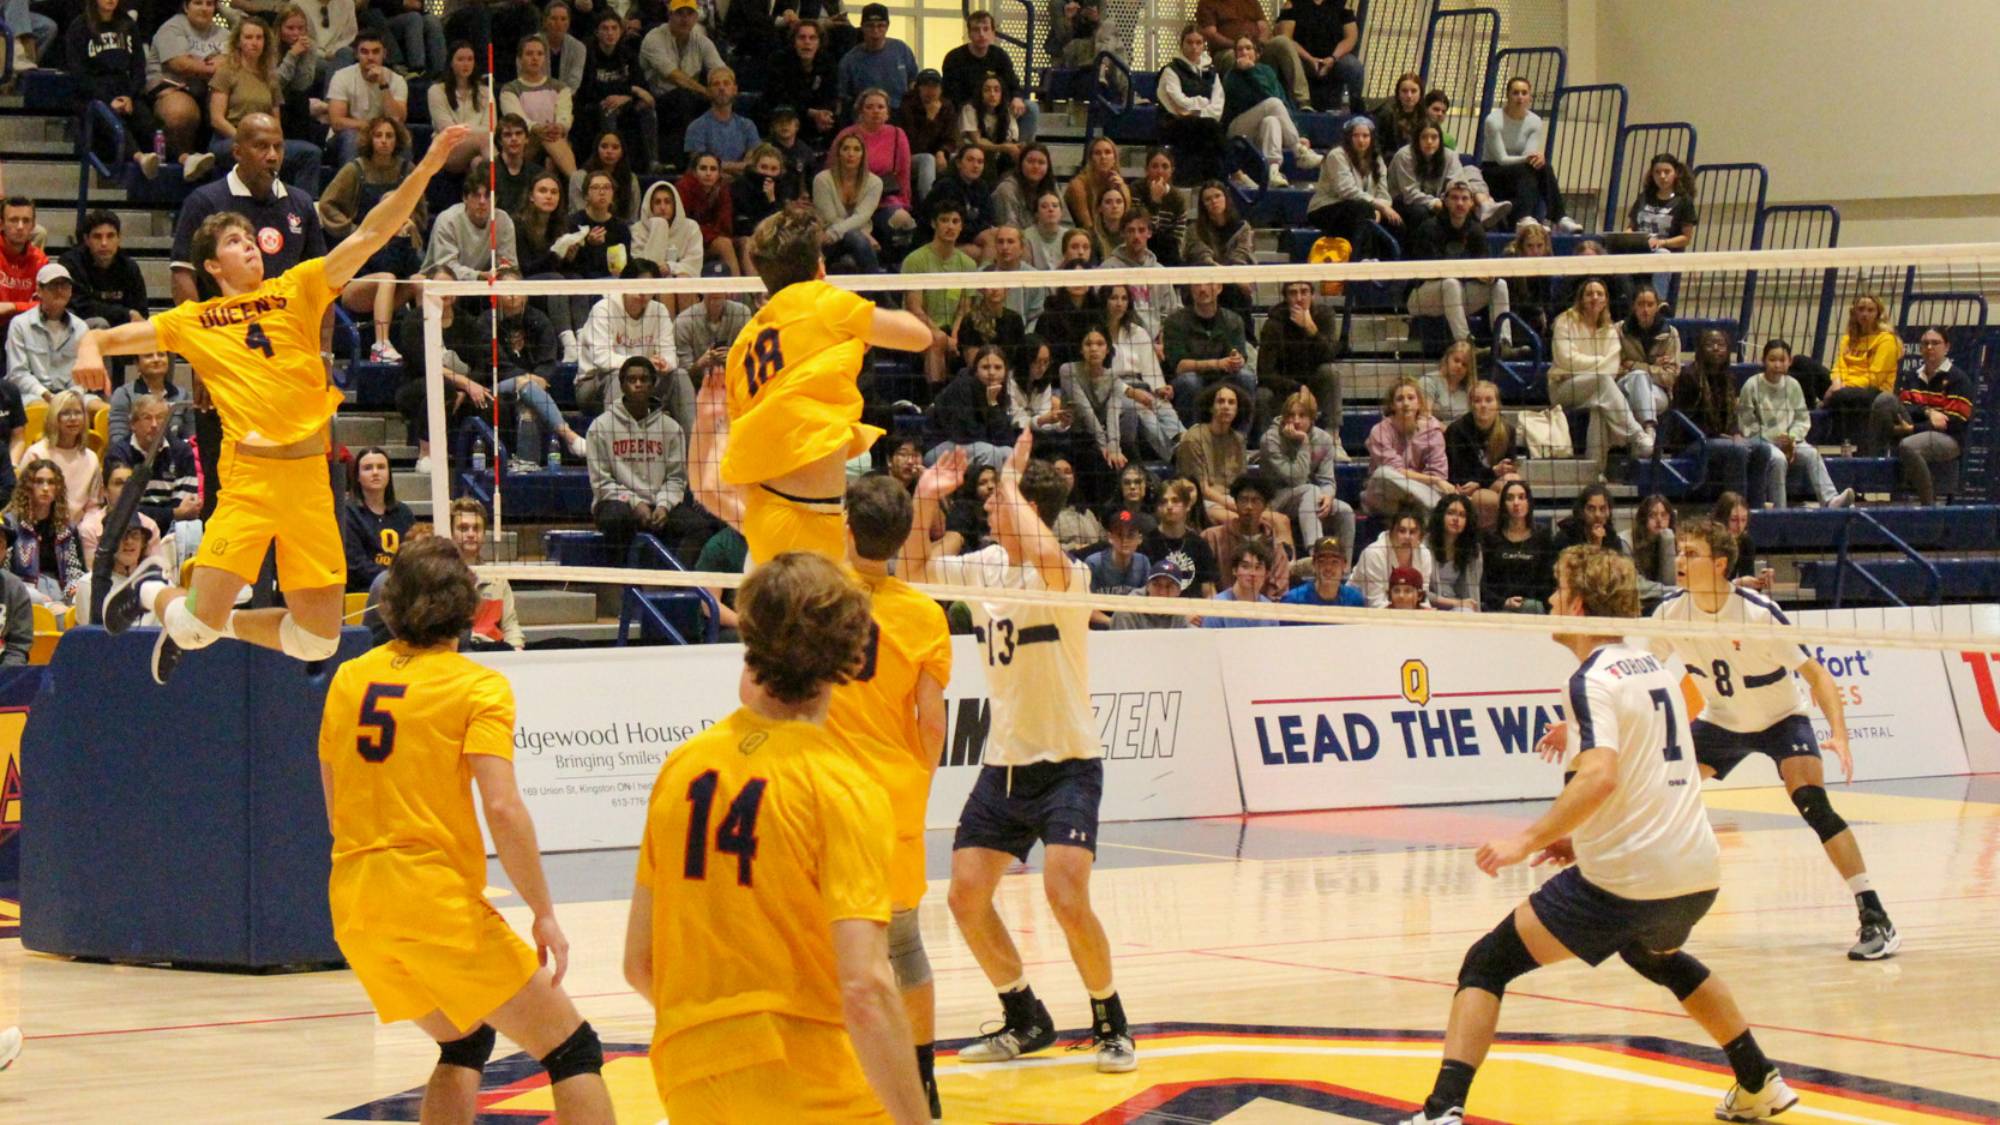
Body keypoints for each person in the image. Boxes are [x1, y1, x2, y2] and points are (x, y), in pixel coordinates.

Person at [1403, 544, 1795, 1125]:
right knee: (1654, 953)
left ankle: (1441, 1112)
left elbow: (1601, 776)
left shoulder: (1590, 679)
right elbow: (1647, 774)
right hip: (1695, 875)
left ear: (1580, 604)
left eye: (1558, 591)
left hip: (1627, 883)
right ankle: (1759, 1079)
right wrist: (1578, 838)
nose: (1551, 601)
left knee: (1485, 963)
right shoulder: (1653, 669)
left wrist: (1526, 840)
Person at [85, 124, 474, 685]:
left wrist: (430, 165)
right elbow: (106, 339)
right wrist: (85, 344)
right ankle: (150, 587)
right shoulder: (191, 321)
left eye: (252, 240)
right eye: (236, 243)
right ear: (212, 267)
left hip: (312, 481)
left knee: (317, 638)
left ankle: (210, 622)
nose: (251, 246)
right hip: (251, 479)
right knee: (195, 627)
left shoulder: (297, 286)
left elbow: (371, 232)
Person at [622, 550, 927, 1123]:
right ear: (854, 657)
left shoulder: (682, 768)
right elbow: (865, 988)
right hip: (809, 1083)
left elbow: (639, 963)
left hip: (687, 1075)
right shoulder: (842, 785)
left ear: (751, 640)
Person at [319, 538, 614, 1125]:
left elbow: (334, 804)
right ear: (470, 608)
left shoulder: (349, 679)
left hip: (354, 905)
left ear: (391, 603)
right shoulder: (477, 687)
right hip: (433, 904)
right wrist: (543, 911)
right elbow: (502, 808)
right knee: (572, 1049)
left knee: (464, 1041)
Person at [901, 434, 1138, 1073]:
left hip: (1068, 763)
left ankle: (1110, 1018)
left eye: (999, 502)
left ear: (1025, 510)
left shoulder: (1069, 573)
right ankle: (1024, 1015)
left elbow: (1041, 546)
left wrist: (1012, 478)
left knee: (1065, 891)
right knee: (965, 897)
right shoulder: (983, 569)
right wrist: (925, 501)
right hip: (1006, 765)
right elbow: (912, 571)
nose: (988, 509)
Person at [1654, 518, 1897, 961]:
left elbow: (1817, 676)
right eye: (1679, 553)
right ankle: (1656, 910)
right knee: (1662, 796)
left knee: (1812, 803)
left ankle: (1874, 913)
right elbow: (1642, 674)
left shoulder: (1757, 614)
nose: (1680, 561)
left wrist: (1839, 734)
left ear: (1721, 564)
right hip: (1721, 721)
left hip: (1782, 719)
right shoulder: (1670, 612)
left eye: (1691, 554)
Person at [720, 209, 932, 566]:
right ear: (820, 267)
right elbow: (920, 336)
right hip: (805, 518)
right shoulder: (825, 301)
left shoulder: (744, 343)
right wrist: (857, 333)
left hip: (765, 512)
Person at [318, 115, 425, 362]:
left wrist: (410, 225)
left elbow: (420, 213)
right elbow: (327, 205)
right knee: (386, 278)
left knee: (422, 281)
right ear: (369, 139)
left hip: (397, 259)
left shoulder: (407, 171)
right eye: (379, 135)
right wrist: (356, 232)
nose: (384, 141)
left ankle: (428, 345)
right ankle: (381, 344)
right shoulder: (354, 169)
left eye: (389, 136)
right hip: (360, 272)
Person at [587, 357, 711, 562]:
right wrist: (635, 504)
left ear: (653, 385)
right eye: (631, 379)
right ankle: (620, 584)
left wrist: (663, 505)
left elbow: (676, 479)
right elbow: (601, 483)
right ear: (622, 385)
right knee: (617, 518)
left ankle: (677, 584)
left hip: (658, 504)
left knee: (700, 528)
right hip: (618, 503)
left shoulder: (671, 428)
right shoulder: (600, 426)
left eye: (644, 379)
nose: (638, 384)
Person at [1550, 278, 1650, 477]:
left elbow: (1612, 367)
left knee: (1600, 407)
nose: (1594, 297)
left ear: (1605, 300)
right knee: (1602, 382)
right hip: (1562, 389)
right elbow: (1565, 359)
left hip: (1595, 389)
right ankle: (1637, 436)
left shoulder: (1610, 329)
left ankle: (1594, 472)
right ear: (1581, 299)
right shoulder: (1565, 321)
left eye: (1599, 294)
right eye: (1589, 294)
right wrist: (1599, 362)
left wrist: (1581, 366)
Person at [1738, 339, 1853, 510]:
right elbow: (1746, 422)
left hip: (1792, 442)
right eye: (1772, 360)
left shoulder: (1793, 385)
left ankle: (1830, 499)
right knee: (1777, 459)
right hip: (1761, 443)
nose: (1777, 364)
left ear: (1790, 362)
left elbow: (1802, 419)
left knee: (1812, 454)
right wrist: (1774, 440)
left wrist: (1791, 438)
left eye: (1782, 360)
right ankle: (1780, 508)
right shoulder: (1751, 385)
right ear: (1763, 361)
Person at [208, 14, 323, 187]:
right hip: (231, 139)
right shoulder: (226, 72)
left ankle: (304, 207)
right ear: (239, 42)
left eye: (259, 38)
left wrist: (276, 144)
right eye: (248, 37)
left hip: (265, 140)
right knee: (254, 152)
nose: (254, 42)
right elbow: (217, 119)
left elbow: (275, 120)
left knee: (310, 153)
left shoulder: (270, 78)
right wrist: (244, 139)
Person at [1868, 327, 1974, 505]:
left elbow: (1953, 422)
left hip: (1949, 438)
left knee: (1909, 446)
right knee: (1884, 399)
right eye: (1925, 344)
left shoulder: (1958, 379)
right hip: (1916, 428)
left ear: (1946, 347)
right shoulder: (1912, 376)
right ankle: (1870, 467)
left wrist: (1914, 427)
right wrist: (1928, 411)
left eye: (1935, 343)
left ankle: (1928, 504)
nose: (1929, 347)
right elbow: (1906, 407)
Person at [1405, 181, 1513, 349]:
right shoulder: (1429, 228)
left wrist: (1489, 277)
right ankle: (1465, 345)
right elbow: (1430, 272)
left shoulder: (1476, 230)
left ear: (1471, 203)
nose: (1460, 203)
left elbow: (1484, 265)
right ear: (1445, 201)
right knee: (1450, 283)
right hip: (1421, 297)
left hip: (1457, 296)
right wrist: (1471, 273)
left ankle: (1504, 343)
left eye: (1464, 198)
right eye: (1455, 198)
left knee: (1499, 285)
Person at [68, 0, 167, 180]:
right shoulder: (79, 27)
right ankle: (140, 157)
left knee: (148, 121)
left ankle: (185, 157)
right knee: (112, 121)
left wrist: (129, 95)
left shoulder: (127, 24)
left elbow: (138, 66)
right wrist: (107, 100)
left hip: (124, 88)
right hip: (93, 93)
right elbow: (79, 74)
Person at [1670, 328, 1769, 502]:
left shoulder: (1728, 377)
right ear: (1700, 349)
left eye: (1721, 344)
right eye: (1710, 344)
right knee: (1736, 449)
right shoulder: (1689, 376)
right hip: (1692, 441)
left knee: (1762, 448)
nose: (1716, 348)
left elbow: (1731, 415)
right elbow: (1683, 421)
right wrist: (1721, 436)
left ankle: (1756, 509)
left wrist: (1735, 432)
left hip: (1720, 439)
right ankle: (1735, 508)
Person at [1478, 76, 1581, 232]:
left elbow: (1529, 156)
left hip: (1520, 170)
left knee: (1544, 167)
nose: (1520, 97)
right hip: (1494, 170)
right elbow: (1502, 159)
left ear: (1530, 97)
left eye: (1524, 93)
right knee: (1526, 169)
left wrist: (1535, 159)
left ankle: (1560, 218)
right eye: (1515, 93)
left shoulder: (1534, 121)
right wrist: (1528, 158)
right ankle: (1523, 217)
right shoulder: (1493, 120)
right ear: (1507, 96)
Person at [575, 259, 677, 411]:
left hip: (643, 381)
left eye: (649, 288)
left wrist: (664, 363)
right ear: (624, 284)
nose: (643, 293)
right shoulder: (603, 309)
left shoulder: (659, 311)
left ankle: (695, 433)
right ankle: (616, 433)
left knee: (679, 376)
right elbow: (603, 360)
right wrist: (644, 364)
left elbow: (671, 357)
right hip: (594, 384)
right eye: (637, 285)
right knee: (618, 376)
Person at [1261, 388, 1352, 556]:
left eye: (1302, 415)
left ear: (1312, 418)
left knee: (1345, 511)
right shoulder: (1271, 439)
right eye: (1291, 415)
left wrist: (1327, 496)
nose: (1296, 420)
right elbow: (1295, 479)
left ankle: (1343, 570)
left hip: (1309, 498)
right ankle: (1316, 553)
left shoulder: (1323, 439)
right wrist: (1304, 442)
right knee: (1310, 490)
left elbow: (1327, 480)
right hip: (1275, 499)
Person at [1221, 36, 1319, 189]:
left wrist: (1302, 132)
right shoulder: (1231, 76)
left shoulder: (1266, 71)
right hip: (1236, 127)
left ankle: (1273, 171)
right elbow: (1248, 99)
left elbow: (1283, 103)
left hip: (1260, 126)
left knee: (1272, 121)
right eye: (1240, 49)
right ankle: (1299, 151)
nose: (1244, 52)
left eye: (1248, 48)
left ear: (1257, 54)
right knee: (1273, 104)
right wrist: (1248, 72)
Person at [149, 0, 230, 182]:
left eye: (209, 4)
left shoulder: (224, 33)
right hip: (170, 89)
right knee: (180, 112)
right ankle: (185, 160)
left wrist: (197, 63)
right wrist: (212, 64)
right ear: (186, 7)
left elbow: (232, 61)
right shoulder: (171, 28)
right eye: (198, 3)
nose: (204, 8)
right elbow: (180, 64)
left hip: (207, 90)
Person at [901, 202, 977, 384]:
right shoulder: (915, 260)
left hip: (954, 328)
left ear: (961, 226)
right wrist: (939, 334)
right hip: (920, 327)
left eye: (955, 221)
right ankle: (936, 402)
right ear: (934, 224)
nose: (950, 226)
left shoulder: (968, 264)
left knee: (976, 343)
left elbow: (964, 309)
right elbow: (914, 308)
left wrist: (956, 336)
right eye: (944, 220)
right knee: (937, 340)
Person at [574, 11, 657, 176]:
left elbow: (643, 89)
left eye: (614, 28)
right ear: (597, 32)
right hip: (596, 105)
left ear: (621, 31)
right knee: (609, 107)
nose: (610, 33)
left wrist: (627, 95)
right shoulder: (587, 54)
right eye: (605, 29)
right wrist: (627, 91)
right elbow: (588, 90)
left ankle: (653, 161)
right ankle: (609, 164)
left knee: (646, 108)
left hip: (624, 103)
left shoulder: (628, 54)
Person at [105, 394, 200, 535]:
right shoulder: (119, 454)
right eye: (147, 418)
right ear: (133, 424)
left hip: (172, 532)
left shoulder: (181, 451)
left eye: (161, 417)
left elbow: (187, 508)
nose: (155, 424)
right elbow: (123, 509)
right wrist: (174, 513)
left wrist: (175, 514)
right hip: (129, 531)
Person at [639, 0, 723, 158]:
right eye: (679, 14)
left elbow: (719, 69)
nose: (684, 19)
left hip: (691, 96)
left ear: (696, 17)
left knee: (725, 99)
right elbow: (675, 77)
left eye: (689, 14)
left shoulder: (701, 41)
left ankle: (718, 158)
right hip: (657, 99)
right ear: (669, 15)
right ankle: (686, 159)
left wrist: (722, 88)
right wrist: (706, 91)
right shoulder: (654, 38)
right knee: (683, 97)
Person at [1308, 115, 1399, 258]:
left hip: (1364, 208)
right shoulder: (1337, 155)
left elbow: (1383, 194)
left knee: (1397, 220)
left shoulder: (1377, 159)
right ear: (1348, 137)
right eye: (1356, 135)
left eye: (1365, 136)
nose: (1361, 140)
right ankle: (1363, 259)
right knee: (1361, 209)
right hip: (1327, 208)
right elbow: (1347, 191)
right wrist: (1377, 206)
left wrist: (1380, 210)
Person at [1821, 294, 1902, 454]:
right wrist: (1836, 381)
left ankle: (1842, 441)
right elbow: (1839, 366)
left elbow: (1874, 378)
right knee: (1801, 363)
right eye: (1861, 309)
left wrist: (1843, 387)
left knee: (1842, 396)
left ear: (1878, 313)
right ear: (1854, 312)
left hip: (1874, 392)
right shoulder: (1848, 338)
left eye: (1870, 310)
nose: (1865, 314)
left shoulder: (1886, 340)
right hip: (1843, 387)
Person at [1389, 122, 1507, 230]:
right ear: (1416, 140)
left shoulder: (1449, 155)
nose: (1429, 141)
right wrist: (1436, 203)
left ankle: (1484, 207)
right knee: (1420, 212)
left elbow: (1457, 182)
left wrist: (1461, 201)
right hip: (1403, 201)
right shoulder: (1405, 156)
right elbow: (1410, 194)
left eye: (1434, 137)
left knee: (1468, 207)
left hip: (1437, 198)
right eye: (1424, 137)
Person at [942, 10, 1035, 145]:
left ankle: (1023, 153)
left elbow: (1013, 84)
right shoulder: (954, 58)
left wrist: (1016, 97)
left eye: (986, 29)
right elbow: (951, 94)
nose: (981, 34)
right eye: (976, 30)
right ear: (969, 34)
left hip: (997, 106)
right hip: (968, 108)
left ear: (993, 33)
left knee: (1031, 108)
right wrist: (980, 103)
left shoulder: (1000, 56)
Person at [4, 459, 85, 609]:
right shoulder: (12, 525)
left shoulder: (67, 528)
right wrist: (28, 592)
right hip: (24, 592)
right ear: (27, 487)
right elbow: (4, 572)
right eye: (39, 482)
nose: (46, 488)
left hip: (61, 594)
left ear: (58, 488)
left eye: (51, 482)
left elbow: (74, 570)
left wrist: (74, 588)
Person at [1363, 377, 1450, 518]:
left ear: (1419, 403)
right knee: (1383, 473)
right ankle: (1437, 508)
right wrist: (1435, 481)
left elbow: (1438, 473)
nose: (1406, 403)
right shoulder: (1379, 431)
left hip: (1421, 493)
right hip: (1385, 495)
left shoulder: (1432, 430)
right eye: (1400, 399)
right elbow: (1395, 471)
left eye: (1411, 398)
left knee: (1434, 492)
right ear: (1392, 405)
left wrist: (1435, 480)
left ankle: (1425, 511)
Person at [6, 265, 91, 404]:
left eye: (64, 286)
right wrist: (45, 394)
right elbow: (17, 374)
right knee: (37, 408)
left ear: (70, 291)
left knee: (101, 409)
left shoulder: (81, 327)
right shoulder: (19, 324)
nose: (59, 291)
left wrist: (72, 396)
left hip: (72, 395)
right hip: (33, 395)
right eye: (53, 286)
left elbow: (84, 373)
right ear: (39, 290)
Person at [325, 31, 409, 170]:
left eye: (376, 52)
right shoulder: (341, 77)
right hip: (346, 136)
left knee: (403, 140)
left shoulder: (397, 81)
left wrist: (383, 85)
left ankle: (402, 190)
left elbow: (397, 120)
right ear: (356, 54)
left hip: (382, 135)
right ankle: (349, 189)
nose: (370, 58)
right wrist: (372, 128)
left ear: (384, 54)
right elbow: (337, 122)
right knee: (352, 139)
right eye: (364, 52)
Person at [1201, 474, 1293, 600]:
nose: (1249, 507)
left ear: (1265, 506)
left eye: (1256, 501)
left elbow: (1278, 593)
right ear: (1235, 502)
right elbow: (1204, 582)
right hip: (1218, 611)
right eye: (1243, 500)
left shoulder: (1275, 547)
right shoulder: (1211, 537)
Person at [499, 35, 579, 179]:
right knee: (546, 136)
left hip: (555, 139)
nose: (535, 58)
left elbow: (565, 115)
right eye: (529, 54)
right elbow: (517, 120)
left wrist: (559, 126)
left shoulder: (560, 87)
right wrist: (538, 129)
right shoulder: (509, 89)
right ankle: (577, 181)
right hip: (525, 144)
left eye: (540, 54)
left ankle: (573, 182)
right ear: (519, 59)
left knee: (551, 146)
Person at [447, 498, 523, 650]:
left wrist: (517, 648)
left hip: (493, 651)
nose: (471, 534)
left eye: (476, 528)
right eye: (463, 528)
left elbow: (510, 625)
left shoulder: (497, 578)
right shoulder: (442, 576)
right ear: (451, 532)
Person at [1155, 24, 1227, 185]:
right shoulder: (1171, 71)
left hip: (1201, 125)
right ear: (1182, 44)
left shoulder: (1211, 72)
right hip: (1174, 125)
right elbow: (1178, 103)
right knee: (1211, 129)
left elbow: (1218, 105)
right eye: (1190, 42)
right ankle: (1233, 172)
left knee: (1209, 131)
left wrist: (1198, 112)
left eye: (1198, 43)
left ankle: (1210, 185)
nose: (1194, 47)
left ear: (1203, 45)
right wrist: (1202, 102)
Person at [1443, 379, 1518, 531]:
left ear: (1497, 404)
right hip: (1467, 489)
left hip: (1488, 483)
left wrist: (1490, 475)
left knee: (1513, 481)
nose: (1483, 405)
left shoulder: (1508, 430)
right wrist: (1492, 473)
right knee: (1487, 499)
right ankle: (1504, 535)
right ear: (1471, 405)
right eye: (1477, 401)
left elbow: (1509, 469)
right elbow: (1459, 476)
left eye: (1489, 400)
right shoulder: (1457, 430)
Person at [340, 446, 414, 592]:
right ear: (357, 476)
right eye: (368, 468)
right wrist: (394, 580)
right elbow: (355, 565)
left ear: (388, 474)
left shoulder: (404, 513)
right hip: (363, 591)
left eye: (381, 467)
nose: (375, 472)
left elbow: (413, 555)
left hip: (401, 591)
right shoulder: (347, 513)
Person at [422, 166, 518, 280]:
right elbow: (446, 266)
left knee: (510, 280)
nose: (482, 202)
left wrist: (503, 273)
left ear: (495, 200)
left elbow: (509, 264)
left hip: (484, 282)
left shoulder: (503, 220)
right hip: (443, 280)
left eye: (488, 196)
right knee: (444, 278)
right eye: (476, 195)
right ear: (465, 198)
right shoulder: (448, 220)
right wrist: (478, 275)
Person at [1174, 383, 1248, 525]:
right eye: (1221, 401)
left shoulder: (1238, 440)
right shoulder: (1194, 438)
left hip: (1232, 500)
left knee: (1278, 520)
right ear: (1210, 407)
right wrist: (1234, 505)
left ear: (1238, 409)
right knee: (1239, 522)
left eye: (1231, 402)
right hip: (1203, 502)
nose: (1226, 406)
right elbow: (1200, 488)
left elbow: (1242, 483)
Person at [61, 212, 148, 333]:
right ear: (86, 240)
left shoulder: (129, 267)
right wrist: (125, 314)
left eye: (110, 236)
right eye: (97, 237)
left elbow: (141, 312)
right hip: (82, 329)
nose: (104, 243)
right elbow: (80, 306)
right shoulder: (71, 263)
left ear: (119, 238)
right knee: (100, 324)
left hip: (121, 331)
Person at [23, 390, 103, 519]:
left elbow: (93, 507)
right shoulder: (36, 454)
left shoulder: (91, 458)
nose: (73, 418)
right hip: (41, 525)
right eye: (65, 413)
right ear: (54, 417)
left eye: (78, 413)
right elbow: (24, 500)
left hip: (78, 530)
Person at [1624, 152, 1698, 293]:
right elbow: (1630, 227)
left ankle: (1658, 299)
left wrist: (1662, 242)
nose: (1662, 176)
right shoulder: (1644, 197)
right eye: (1657, 172)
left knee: (1662, 255)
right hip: (1638, 247)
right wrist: (1626, 237)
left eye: (1667, 172)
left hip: (1663, 249)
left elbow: (1686, 238)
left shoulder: (1683, 201)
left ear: (1676, 173)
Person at [815, 133, 886, 273]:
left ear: (863, 154)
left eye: (856, 149)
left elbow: (862, 216)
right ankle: (878, 292)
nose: (851, 154)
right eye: (846, 149)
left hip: (848, 237)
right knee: (856, 237)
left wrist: (841, 232)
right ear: (838, 153)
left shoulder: (875, 183)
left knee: (855, 238)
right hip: (828, 240)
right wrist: (864, 235)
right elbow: (830, 218)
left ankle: (873, 290)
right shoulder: (822, 180)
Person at [1617, 285, 1679, 445]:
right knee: (1638, 377)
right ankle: (1650, 431)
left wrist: (1633, 365)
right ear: (1633, 307)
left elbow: (1670, 377)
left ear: (1657, 307)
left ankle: (1641, 444)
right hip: (1624, 389)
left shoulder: (1671, 333)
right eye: (1641, 304)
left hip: (1658, 393)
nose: (1645, 310)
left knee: (1640, 382)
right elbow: (1614, 369)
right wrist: (1653, 365)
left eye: (1650, 304)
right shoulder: (1618, 330)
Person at [766, 21, 841, 152]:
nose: (807, 42)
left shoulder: (828, 61)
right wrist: (812, 113)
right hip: (786, 113)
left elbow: (831, 94)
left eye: (812, 38)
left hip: (817, 118)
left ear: (819, 42)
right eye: (802, 37)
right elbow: (779, 96)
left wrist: (825, 114)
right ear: (793, 41)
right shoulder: (779, 60)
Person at [1274, 0, 1360, 112]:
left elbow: (1351, 37)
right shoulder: (1292, 5)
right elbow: (1286, 39)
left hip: (1334, 59)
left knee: (1353, 66)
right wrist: (1309, 59)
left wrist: (1333, 58)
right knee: (1289, 64)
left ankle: (1352, 113)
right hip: (1301, 58)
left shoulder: (1342, 5)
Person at [1481, 479, 1553, 612]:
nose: (1516, 503)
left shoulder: (1542, 536)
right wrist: (1503, 602)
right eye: (1510, 498)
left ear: (1529, 502)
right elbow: (1483, 581)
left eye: (1521, 497)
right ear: (1503, 504)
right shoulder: (1490, 537)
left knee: (1533, 607)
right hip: (1499, 606)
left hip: (1534, 607)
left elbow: (1547, 580)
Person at [1143, 478, 1220, 598]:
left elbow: (1209, 592)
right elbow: (1142, 591)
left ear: (1187, 505)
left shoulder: (1199, 545)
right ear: (1157, 508)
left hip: (1195, 612)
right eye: (1163, 501)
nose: (1169, 506)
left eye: (1175, 500)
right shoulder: (1147, 542)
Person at [838, 4, 917, 108]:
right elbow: (843, 96)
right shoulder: (850, 60)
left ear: (887, 26)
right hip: (866, 116)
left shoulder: (901, 50)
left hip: (899, 113)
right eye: (870, 26)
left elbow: (913, 82)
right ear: (862, 27)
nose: (875, 31)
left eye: (880, 26)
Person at [899, 69, 959, 204]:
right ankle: (929, 205)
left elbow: (950, 138)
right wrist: (930, 119)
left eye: (935, 87)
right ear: (918, 88)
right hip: (911, 157)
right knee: (927, 159)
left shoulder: (947, 106)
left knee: (961, 159)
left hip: (937, 154)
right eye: (926, 86)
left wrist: (942, 151)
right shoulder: (907, 106)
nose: (930, 91)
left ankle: (957, 206)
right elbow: (914, 145)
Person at [1353, 507, 1434, 608]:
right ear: (1391, 532)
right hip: (1359, 608)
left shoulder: (1424, 554)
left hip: (1402, 610)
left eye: (1412, 532)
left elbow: (1422, 598)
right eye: (1402, 531)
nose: (1407, 537)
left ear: (1421, 536)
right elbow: (1375, 604)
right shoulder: (1373, 553)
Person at [676, 152, 740, 275]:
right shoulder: (683, 187)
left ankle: (757, 292)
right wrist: (711, 232)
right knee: (724, 244)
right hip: (687, 242)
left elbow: (725, 224)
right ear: (694, 172)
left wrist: (712, 232)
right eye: (703, 168)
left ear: (719, 173)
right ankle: (738, 292)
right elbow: (683, 224)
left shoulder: (722, 189)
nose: (708, 173)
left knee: (744, 243)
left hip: (711, 239)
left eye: (713, 169)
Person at [1201, 538, 1281, 627]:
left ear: (1267, 573)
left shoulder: (1270, 610)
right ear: (1234, 570)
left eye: (1258, 567)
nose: (1252, 573)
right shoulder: (1216, 607)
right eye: (1245, 567)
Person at [1426, 493, 1481, 611]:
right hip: (1428, 605)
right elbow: (1420, 592)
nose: (1456, 519)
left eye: (1462, 515)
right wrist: (1455, 602)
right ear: (1441, 515)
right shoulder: (1424, 544)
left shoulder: (1472, 549)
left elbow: (1472, 591)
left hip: (1457, 606)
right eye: (1450, 513)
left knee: (1466, 612)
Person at [1280, 534, 1363, 606]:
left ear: (1344, 565)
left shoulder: (1354, 599)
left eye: (1334, 562)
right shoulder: (1293, 600)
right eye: (1322, 561)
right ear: (1314, 564)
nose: (1328, 568)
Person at [1111, 559, 1192, 629]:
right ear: (1147, 586)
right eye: (1156, 585)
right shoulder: (1127, 610)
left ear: (1178, 592)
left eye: (1169, 586)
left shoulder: (1180, 612)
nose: (1162, 592)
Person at [1628, 493, 1676, 604]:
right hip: (1636, 603)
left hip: (1663, 600)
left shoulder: (1670, 538)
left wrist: (1668, 541)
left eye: (1664, 515)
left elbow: (1669, 581)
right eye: (1652, 515)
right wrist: (1673, 590)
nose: (1659, 520)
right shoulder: (1626, 541)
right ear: (1643, 519)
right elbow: (1636, 584)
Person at [1421, 339, 1477, 426]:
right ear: (1447, 359)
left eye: (1464, 364)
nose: (1459, 366)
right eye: (1456, 360)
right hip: (1434, 434)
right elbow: (1424, 417)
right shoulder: (1429, 381)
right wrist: (1449, 432)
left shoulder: (1470, 389)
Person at [1557, 483, 1622, 552]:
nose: (1597, 514)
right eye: (1591, 509)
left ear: (1609, 511)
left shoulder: (1612, 539)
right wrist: (1596, 545)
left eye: (1602, 509)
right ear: (1581, 511)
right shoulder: (1565, 538)